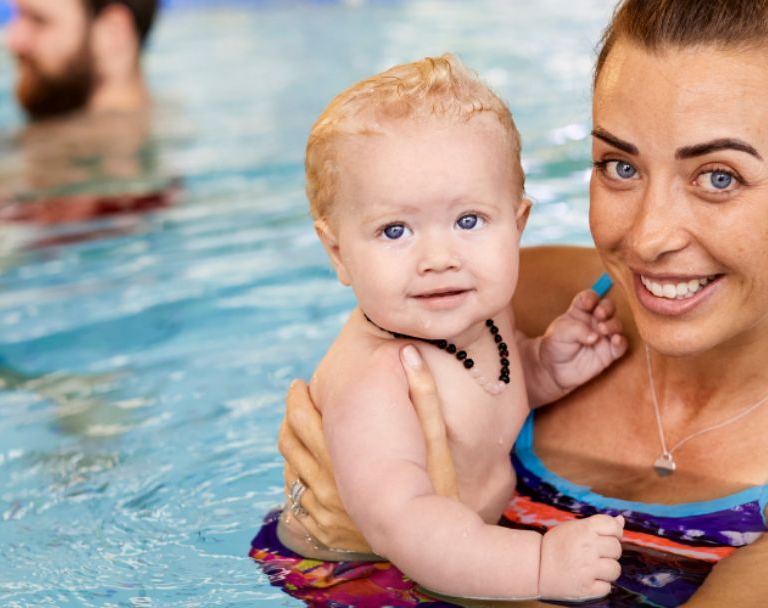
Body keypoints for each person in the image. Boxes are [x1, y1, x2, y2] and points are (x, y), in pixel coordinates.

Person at [269, 0, 768, 606]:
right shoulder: (511, 300)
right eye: (620, 166)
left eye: (718, 177)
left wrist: (395, 551)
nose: (647, 236)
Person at [268, 54, 628, 602]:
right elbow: (405, 523)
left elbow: (485, 397)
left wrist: (543, 366)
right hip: (357, 575)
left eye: (468, 221)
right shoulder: (376, 379)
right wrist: (538, 565)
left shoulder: (483, 313)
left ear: (517, 224)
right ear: (338, 253)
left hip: (461, 550)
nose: (439, 257)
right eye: (395, 230)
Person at [6, 0, 158, 120]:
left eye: (39, 21)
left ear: (112, 33)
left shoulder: (67, 147)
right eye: (19, 15)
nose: (14, 41)